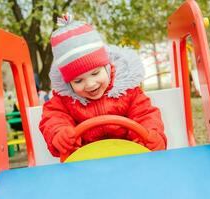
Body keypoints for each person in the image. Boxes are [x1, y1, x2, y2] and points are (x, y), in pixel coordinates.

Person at [39, 14, 167, 158]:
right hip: (86, 161)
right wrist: (59, 134)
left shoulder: (128, 91)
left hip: (128, 157)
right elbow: (54, 118)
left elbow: (145, 114)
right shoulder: (65, 99)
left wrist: (151, 135)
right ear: (68, 82)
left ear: (107, 66)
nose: (90, 84)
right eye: (78, 81)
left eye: (95, 73)